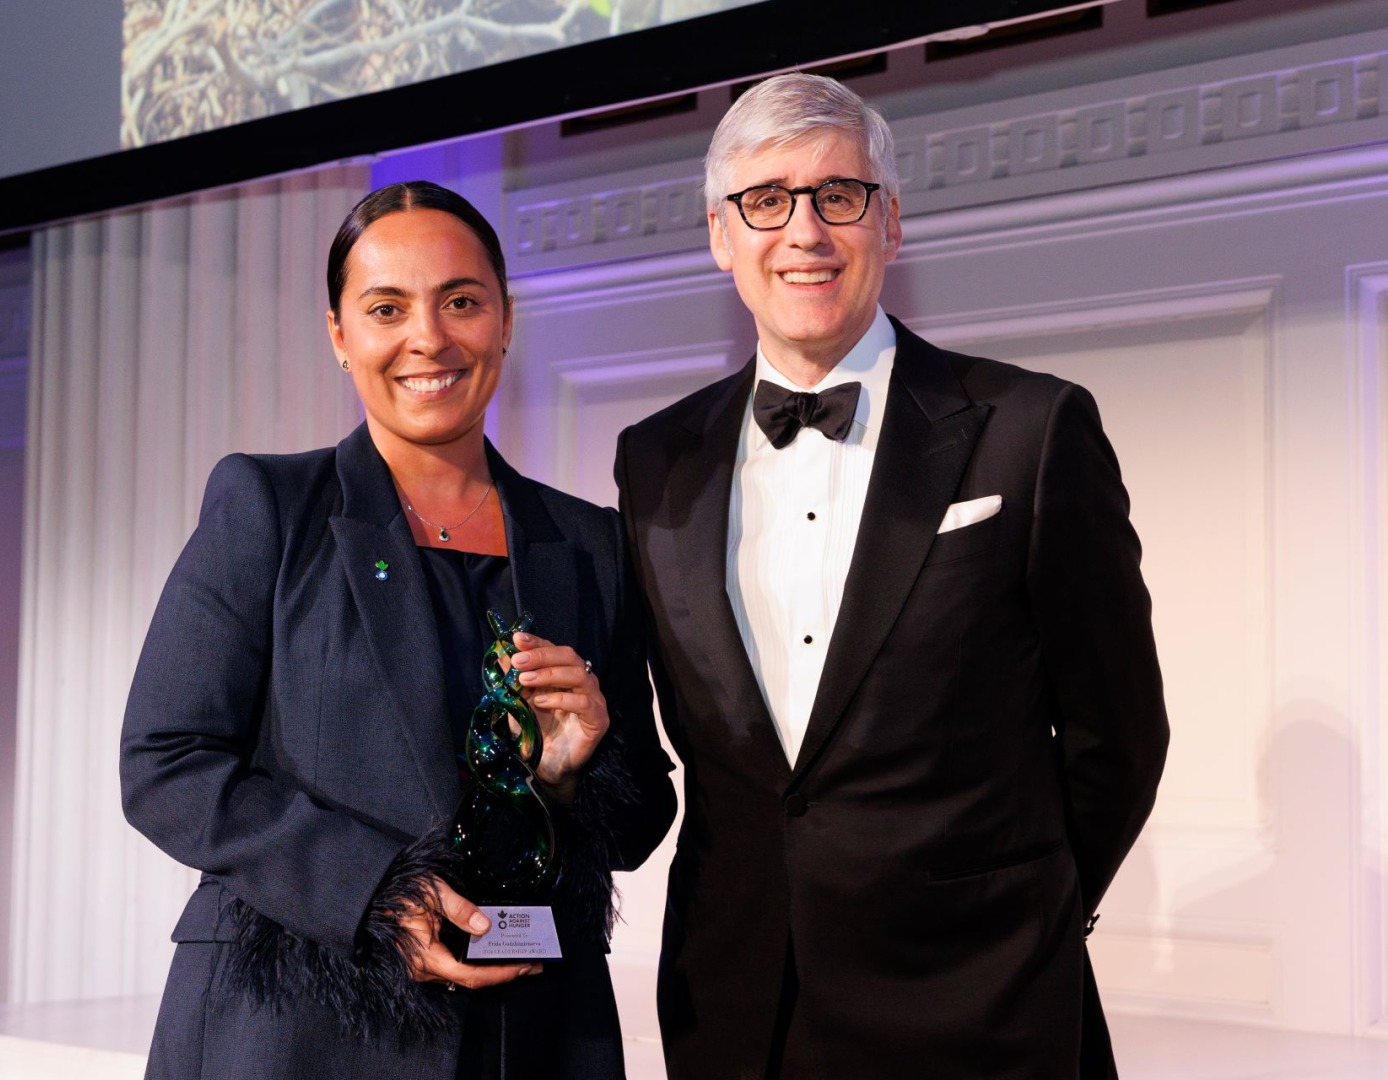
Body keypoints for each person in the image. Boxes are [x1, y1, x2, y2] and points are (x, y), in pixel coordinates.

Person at [613, 73, 1169, 1079]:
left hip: (983, 1009)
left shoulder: (1032, 431)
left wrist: (1026, 915)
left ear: (891, 222)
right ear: (718, 236)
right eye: (766, 200)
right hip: (737, 1008)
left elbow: (1118, 732)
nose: (805, 231)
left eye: (840, 195)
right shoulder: (653, 460)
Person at [121, 180, 677, 1080]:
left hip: (530, 1034)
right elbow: (166, 760)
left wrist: (572, 776)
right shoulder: (270, 507)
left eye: (461, 301)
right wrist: (377, 890)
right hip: (296, 1029)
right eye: (387, 308)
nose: (430, 337)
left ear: (505, 321)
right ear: (340, 335)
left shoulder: (589, 543)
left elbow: (644, 814)